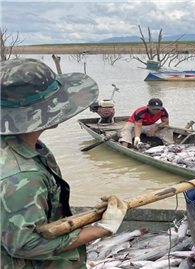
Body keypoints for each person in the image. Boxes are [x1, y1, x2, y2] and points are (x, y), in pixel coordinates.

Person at [1, 58, 128, 268]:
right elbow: (24, 245)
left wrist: (89, 218)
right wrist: (104, 228)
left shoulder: (22, 146)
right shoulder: (23, 175)